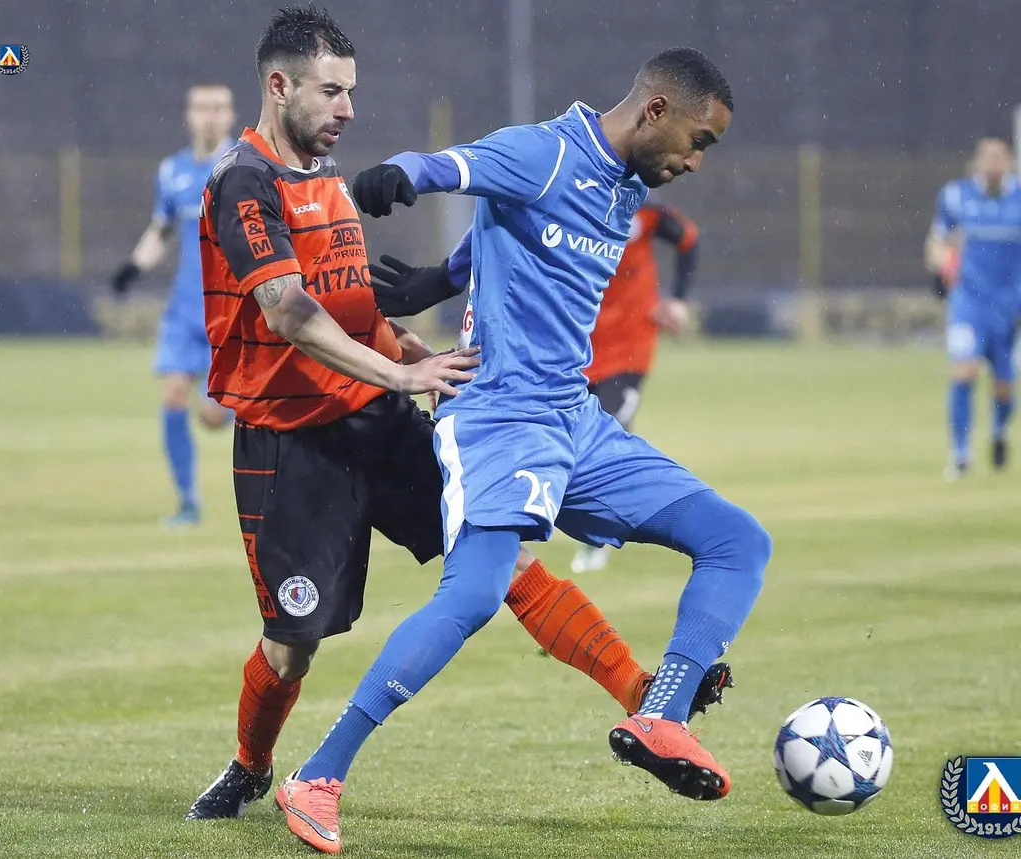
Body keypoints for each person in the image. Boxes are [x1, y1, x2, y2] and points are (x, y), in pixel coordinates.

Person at [187, 5, 737, 824]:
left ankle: (645, 699)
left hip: (378, 417)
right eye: (331, 92)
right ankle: (250, 764)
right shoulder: (245, 179)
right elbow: (289, 311)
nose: (348, 110)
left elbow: (347, 300)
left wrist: (405, 347)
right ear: (278, 86)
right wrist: (402, 372)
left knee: (505, 561)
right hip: (292, 442)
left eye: (351, 91)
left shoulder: (327, 174)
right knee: (292, 644)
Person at [111, 83, 237, 527]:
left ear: (230, 115)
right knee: (172, 395)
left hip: (230, 310)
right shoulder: (172, 170)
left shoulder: (242, 166)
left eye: (218, 108)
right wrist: (133, 267)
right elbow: (162, 228)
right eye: (202, 108)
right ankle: (187, 501)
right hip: (185, 308)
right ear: (188, 114)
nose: (210, 116)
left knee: (213, 417)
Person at [573, 202, 699, 573]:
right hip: (578, 346)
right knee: (568, 439)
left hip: (629, 347)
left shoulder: (644, 213)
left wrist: (678, 300)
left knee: (606, 435)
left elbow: (689, 239)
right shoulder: (570, 208)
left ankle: (597, 536)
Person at [924, 137, 1021, 479]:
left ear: (1009, 162)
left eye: (999, 157)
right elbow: (937, 241)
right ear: (978, 162)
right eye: (987, 158)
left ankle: (999, 430)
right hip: (969, 303)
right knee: (963, 371)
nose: (993, 164)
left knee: (1004, 386)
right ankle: (961, 454)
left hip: (1010, 306)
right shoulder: (957, 196)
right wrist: (942, 265)